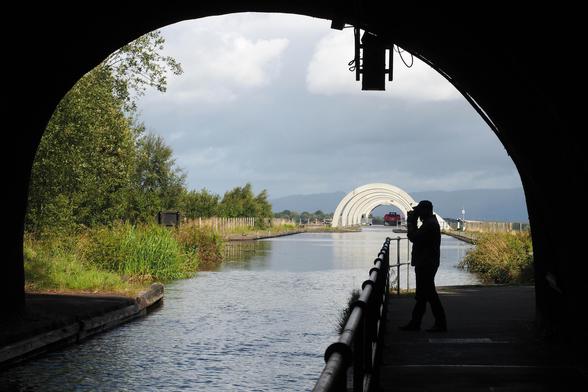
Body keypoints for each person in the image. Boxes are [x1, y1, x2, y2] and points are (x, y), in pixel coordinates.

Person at [399, 200, 447, 332]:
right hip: (427, 262)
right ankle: (416, 323)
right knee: (422, 295)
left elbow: (414, 237)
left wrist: (411, 222)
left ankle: (439, 323)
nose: (417, 213)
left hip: (426, 263)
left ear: (426, 210)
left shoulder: (429, 225)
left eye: (419, 210)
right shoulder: (429, 223)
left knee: (429, 294)